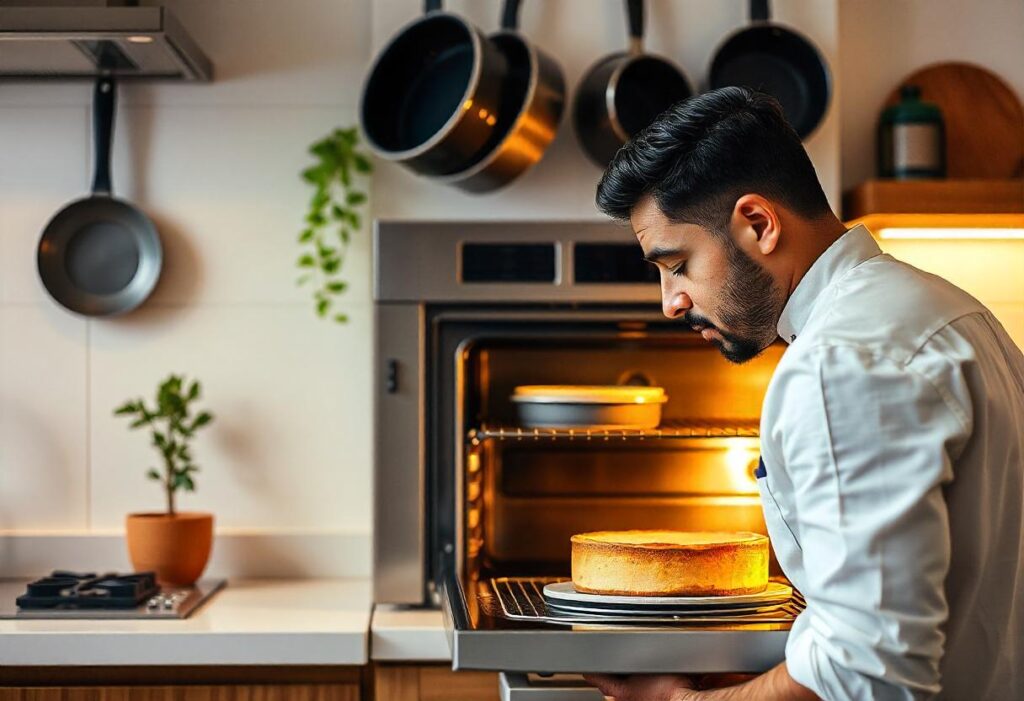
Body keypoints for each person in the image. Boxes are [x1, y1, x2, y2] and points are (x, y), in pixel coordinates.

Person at [584, 87, 1024, 700]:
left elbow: (868, 676)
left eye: (677, 263)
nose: (670, 302)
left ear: (758, 224)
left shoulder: (839, 364)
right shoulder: (950, 311)